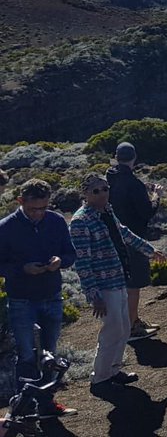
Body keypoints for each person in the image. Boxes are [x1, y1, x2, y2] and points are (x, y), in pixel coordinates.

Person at [70, 174, 167, 392]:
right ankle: (100, 377)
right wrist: (94, 296)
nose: (103, 193)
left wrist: (150, 250)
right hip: (104, 285)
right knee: (112, 329)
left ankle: (113, 370)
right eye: (96, 190)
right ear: (85, 194)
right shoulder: (81, 221)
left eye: (105, 188)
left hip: (119, 278)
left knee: (123, 328)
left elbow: (124, 233)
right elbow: (83, 263)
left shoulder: (107, 211)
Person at [0, 179, 78, 418]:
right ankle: (24, 410)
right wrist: (23, 269)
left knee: (49, 354)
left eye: (44, 208)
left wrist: (59, 262)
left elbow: (70, 253)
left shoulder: (55, 221)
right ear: (20, 202)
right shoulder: (6, 227)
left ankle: (46, 405)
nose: (39, 213)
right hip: (22, 299)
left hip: (51, 295)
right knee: (26, 355)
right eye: (34, 208)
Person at [106, 142, 163, 342]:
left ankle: (133, 320)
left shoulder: (108, 178)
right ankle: (131, 328)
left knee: (122, 285)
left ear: (116, 156)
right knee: (133, 285)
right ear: (134, 158)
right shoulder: (133, 183)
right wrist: (156, 195)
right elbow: (147, 212)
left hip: (112, 238)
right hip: (132, 238)